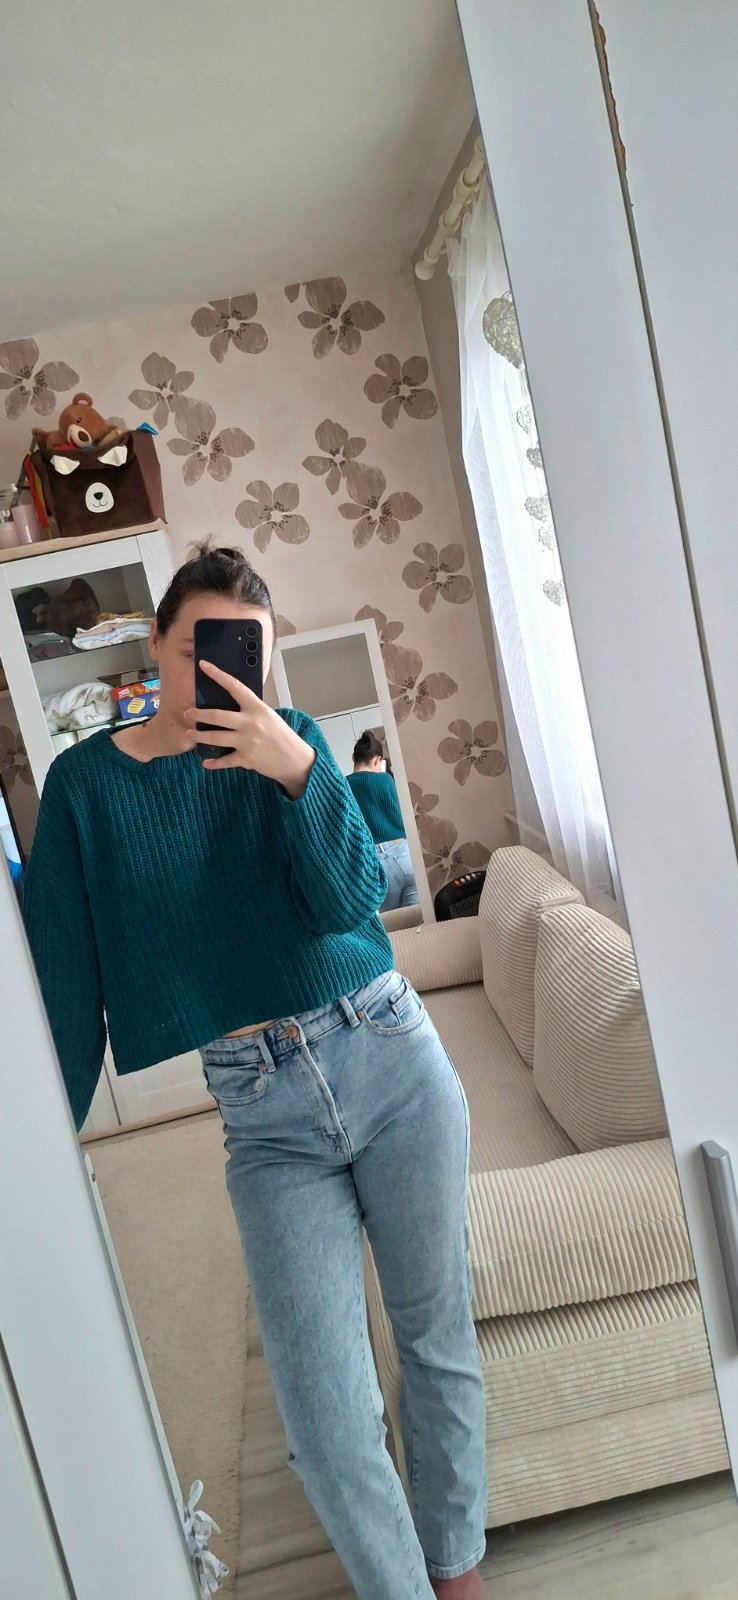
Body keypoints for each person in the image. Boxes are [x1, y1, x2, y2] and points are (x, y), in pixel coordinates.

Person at [23, 543, 486, 1600]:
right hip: (264, 1117)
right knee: (325, 1420)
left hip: (387, 1054)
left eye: (245, 653)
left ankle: (457, 1573)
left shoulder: (296, 744)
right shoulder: (85, 788)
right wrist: (38, 1158)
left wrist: (298, 772)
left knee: (434, 1338)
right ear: (155, 643)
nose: (219, 673)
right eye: (199, 646)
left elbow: (351, 902)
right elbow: (63, 986)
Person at [347, 731, 420, 913]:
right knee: (418, 919)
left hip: (375, 864)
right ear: (378, 760)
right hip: (404, 856)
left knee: (396, 925)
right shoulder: (386, 780)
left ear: (353, 758)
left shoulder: (342, 786)